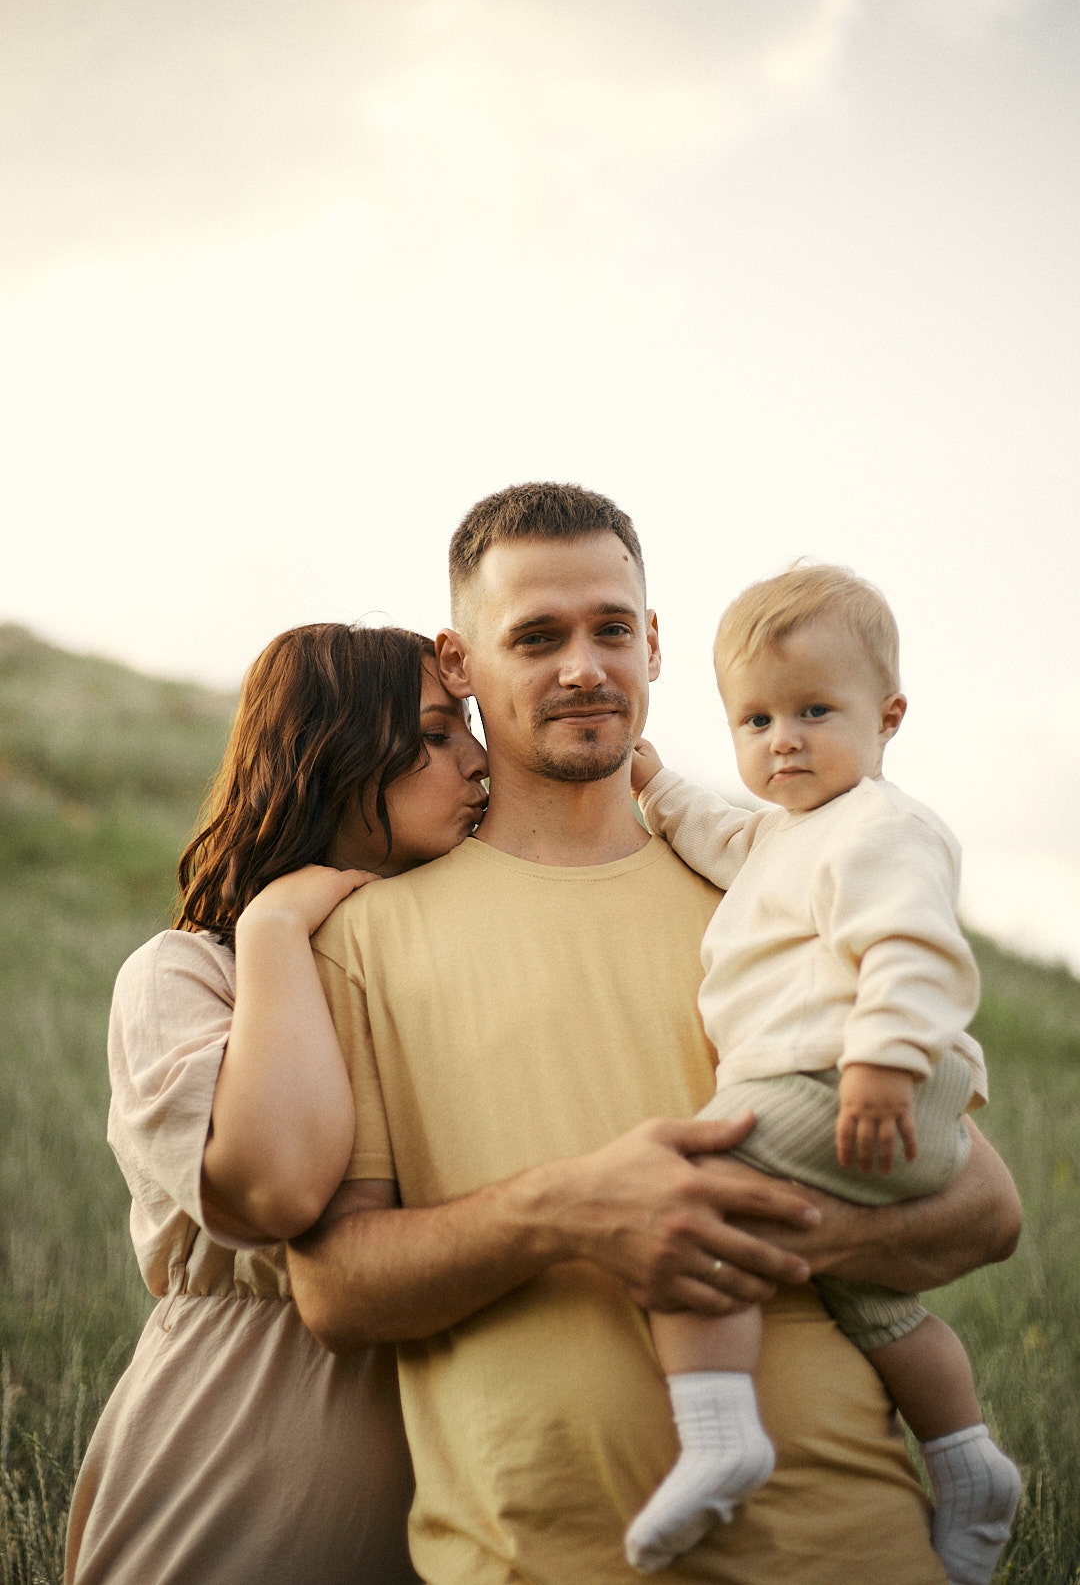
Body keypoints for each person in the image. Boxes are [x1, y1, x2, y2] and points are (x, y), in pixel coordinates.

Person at [289, 484, 1021, 1585]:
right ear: (457, 660)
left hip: (852, 1545)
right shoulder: (363, 938)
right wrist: (564, 1213)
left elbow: (984, 1209)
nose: (585, 666)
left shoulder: (777, 880)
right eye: (537, 636)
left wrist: (728, 1233)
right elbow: (337, 1291)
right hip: (538, 1560)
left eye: (612, 629)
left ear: (656, 642)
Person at [65, 622, 490, 1585]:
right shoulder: (185, 974)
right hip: (238, 1453)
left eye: (467, 724)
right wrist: (271, 930)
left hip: (457, 1484)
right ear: (332, 758)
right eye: (432, 734)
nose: (475, 759)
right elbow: (282, 1185)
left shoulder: (447, 968)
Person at [623, 564, 1021, 1580]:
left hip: (843, 1079)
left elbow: (912, 950)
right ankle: (968, 1460)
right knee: (874, 1300)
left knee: (693, 1205)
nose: (782, 739)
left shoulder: (882, 829)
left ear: (887, 717)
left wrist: (881, 1062)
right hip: (844, 1086)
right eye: (753, 722)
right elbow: (722, 835)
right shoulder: (787, 831)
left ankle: (720, 1432)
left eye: (813, 710)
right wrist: (658, 789)